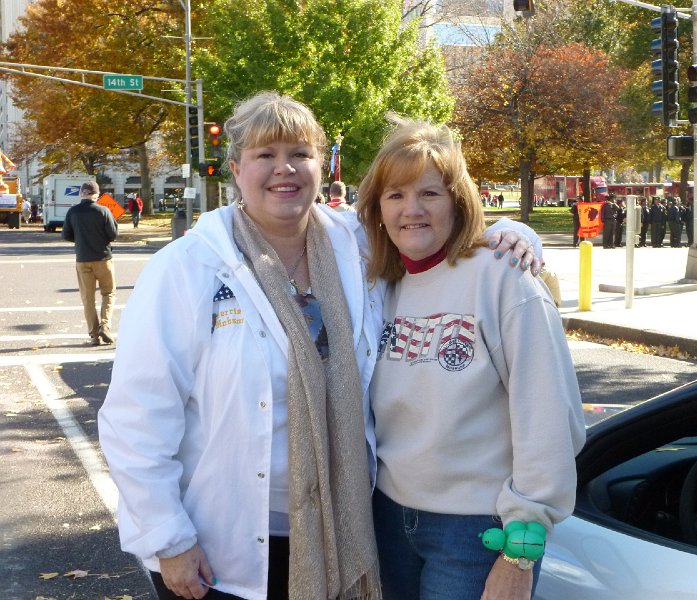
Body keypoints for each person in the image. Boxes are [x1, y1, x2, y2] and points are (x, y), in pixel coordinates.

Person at [98, 91, 539, 600]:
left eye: (299, 154)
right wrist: (167, 539)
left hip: (344, 529)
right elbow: (137, 419)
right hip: (222, 547)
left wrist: (511, 231)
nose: (284, 169)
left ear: (320, 166)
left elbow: (435, 232)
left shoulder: (356, 245)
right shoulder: (185, 268)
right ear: (236, 168)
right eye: (265, 155)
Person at [357, 118, 585, 600]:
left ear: (458, 202)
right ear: (378, 209)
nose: (411, 210)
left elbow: (548, 419)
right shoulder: (380, 286)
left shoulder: (504, 277)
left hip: (478, 533)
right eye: (395, 195)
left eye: (430, 194)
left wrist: (521, 551)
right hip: (388, 522)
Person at [62, 181, 118, 346]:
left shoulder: (73, 212)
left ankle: (94, 335)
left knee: (88, 298)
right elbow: (113, 235)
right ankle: (105, 326)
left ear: (82, 194)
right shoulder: (104, 211)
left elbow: (66, 235)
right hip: (103, 258)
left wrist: (80, 239)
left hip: (82, 259)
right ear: (97, 194)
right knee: (108, 293)